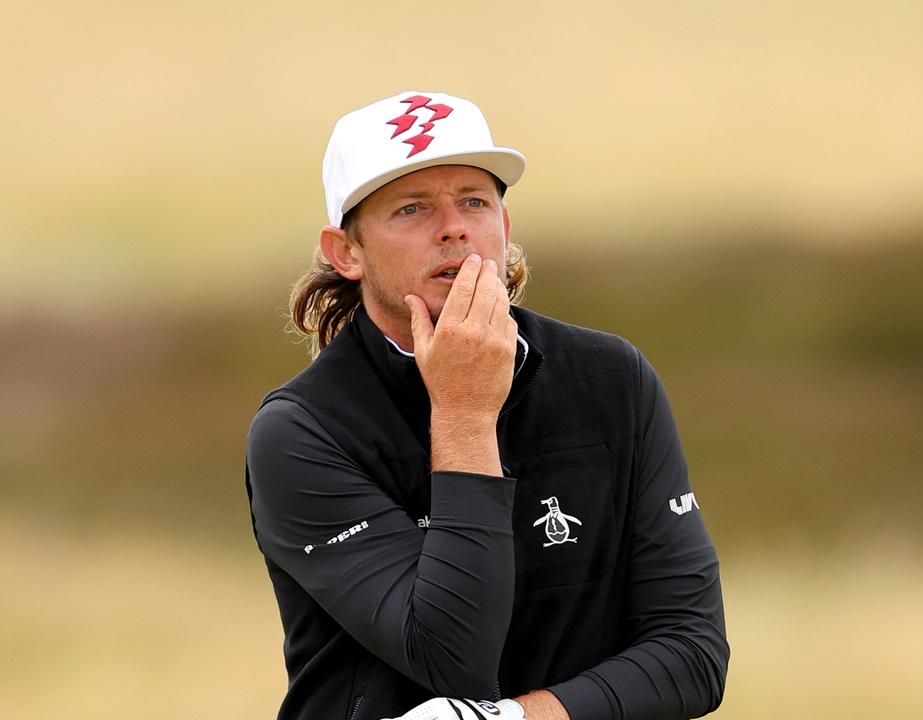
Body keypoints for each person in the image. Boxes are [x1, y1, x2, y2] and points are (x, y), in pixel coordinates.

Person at [245, 90, 729, 720]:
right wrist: (465, 414)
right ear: (346, 252)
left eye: (475, 200)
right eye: (412, 208)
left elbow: (693, 655)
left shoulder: (611, 378)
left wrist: (522, 719)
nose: (454, 227)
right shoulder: (302, 432)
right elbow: (452, 658)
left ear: (504, 226)